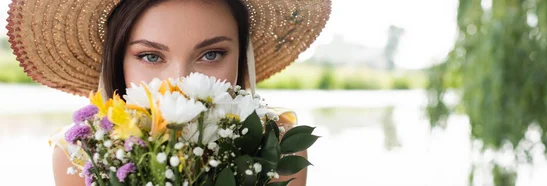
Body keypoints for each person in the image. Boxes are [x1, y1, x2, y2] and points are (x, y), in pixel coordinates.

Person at [6, 0, 331, 185]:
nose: (180, 82)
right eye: (151, 56)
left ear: (241, 57)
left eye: (212, 54)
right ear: (118, 58)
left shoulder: (279, 148)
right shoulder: (79, 154)